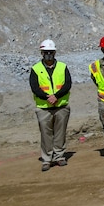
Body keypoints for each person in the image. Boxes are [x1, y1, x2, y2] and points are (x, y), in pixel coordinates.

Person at [30, 39, 72, 172]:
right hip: (43, 108)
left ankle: (59, 156)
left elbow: (67, 84)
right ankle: (47, 159)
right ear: (42, 53)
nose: (48, 54)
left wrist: (56, 96)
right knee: (46, 134)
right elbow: (34, 87)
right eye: (46, 52)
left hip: (61, 106)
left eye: (51, 52)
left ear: (55, 52)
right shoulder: (36, 69)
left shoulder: (62, 67)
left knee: (60, 133)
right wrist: (47, 97)